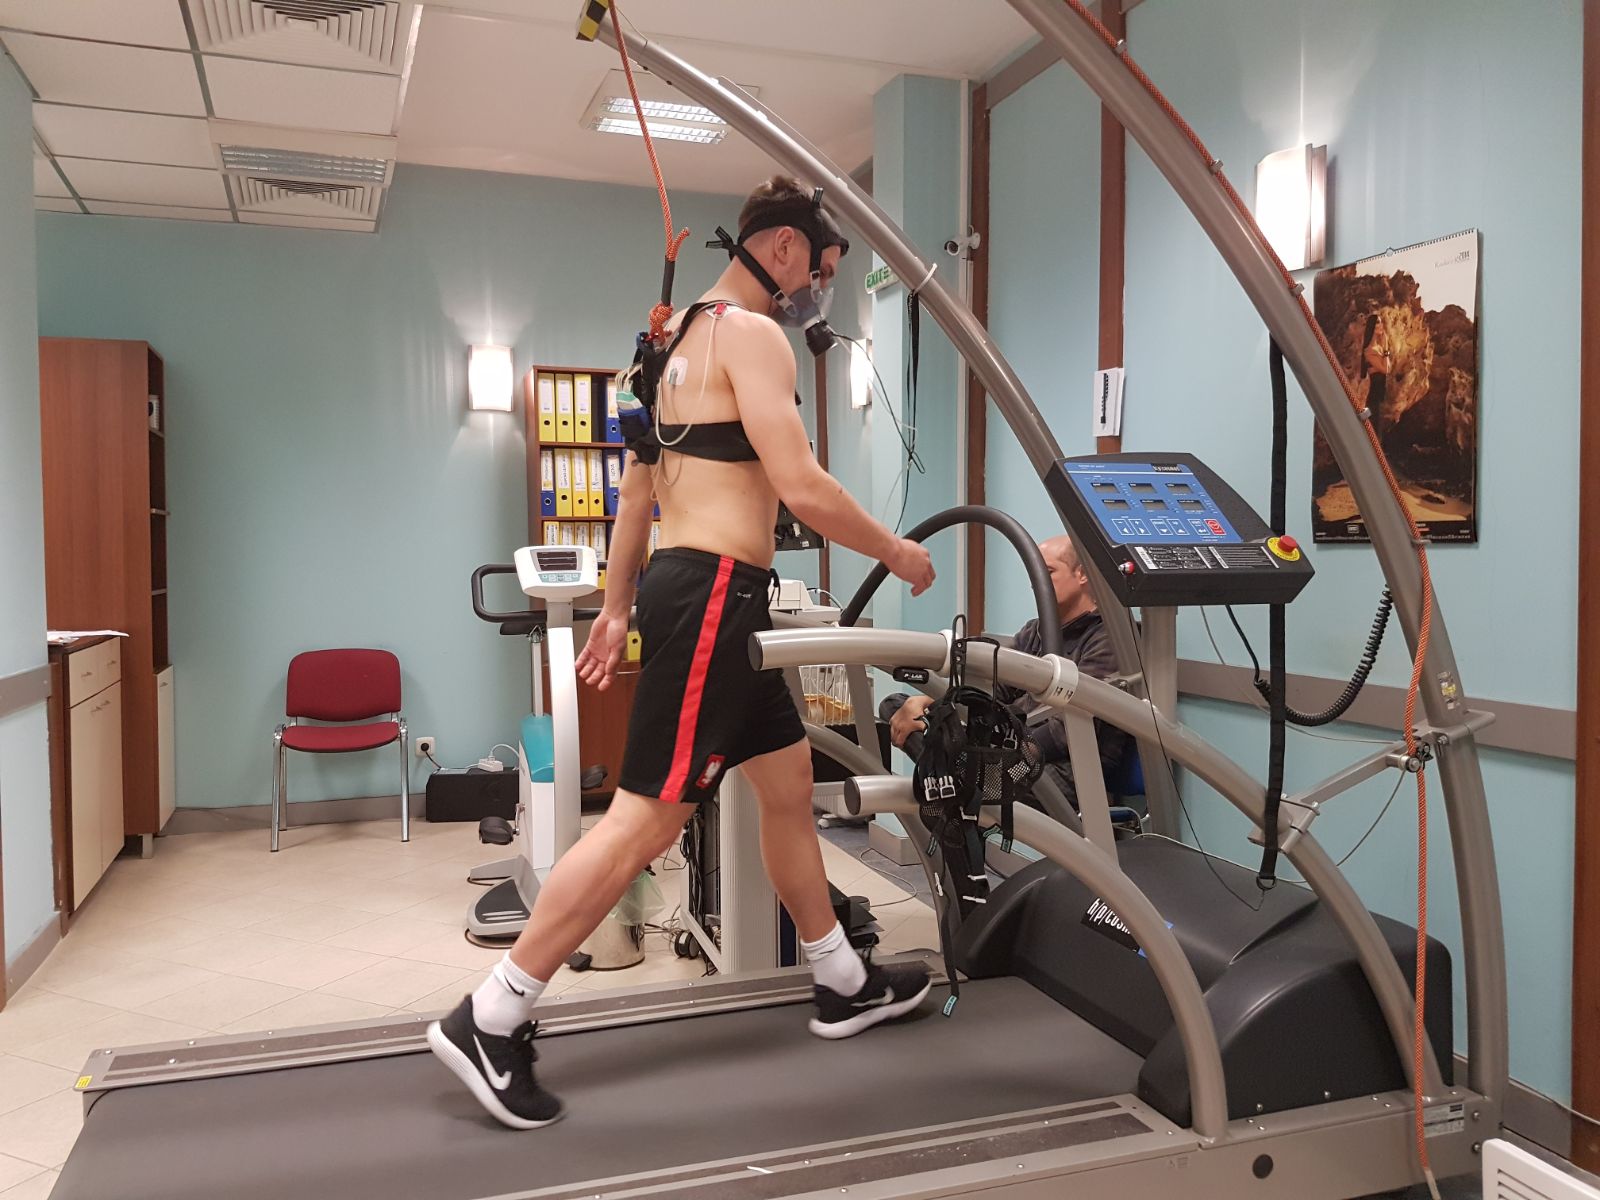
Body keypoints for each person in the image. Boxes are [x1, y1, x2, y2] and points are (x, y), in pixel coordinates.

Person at [429, 175, 937, 1130]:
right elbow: (802, 485)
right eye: (821, 270)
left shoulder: (670, 343)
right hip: (713, 596)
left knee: (786, 785)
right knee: (645, 823)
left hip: (697, 589)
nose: (817, 291)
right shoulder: (754, 337)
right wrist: (897, 552)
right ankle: (491, 1015)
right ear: (782, 248)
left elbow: (636, 494)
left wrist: (619, 604)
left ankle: (840, 979)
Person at [886, 535, 1130, 807]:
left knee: (970, 777)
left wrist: (993, 749)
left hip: (1068, 770)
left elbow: (1064, 734)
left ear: (1082, 574)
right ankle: (957, 770)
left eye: (1048, 572)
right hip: (1010, 746)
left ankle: (958, 770)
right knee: (895, 705)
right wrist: (934, 703)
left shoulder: (1108, 637)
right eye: (1034, 573)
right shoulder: (1034, 631)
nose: (1037, 582)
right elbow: (994, 690)